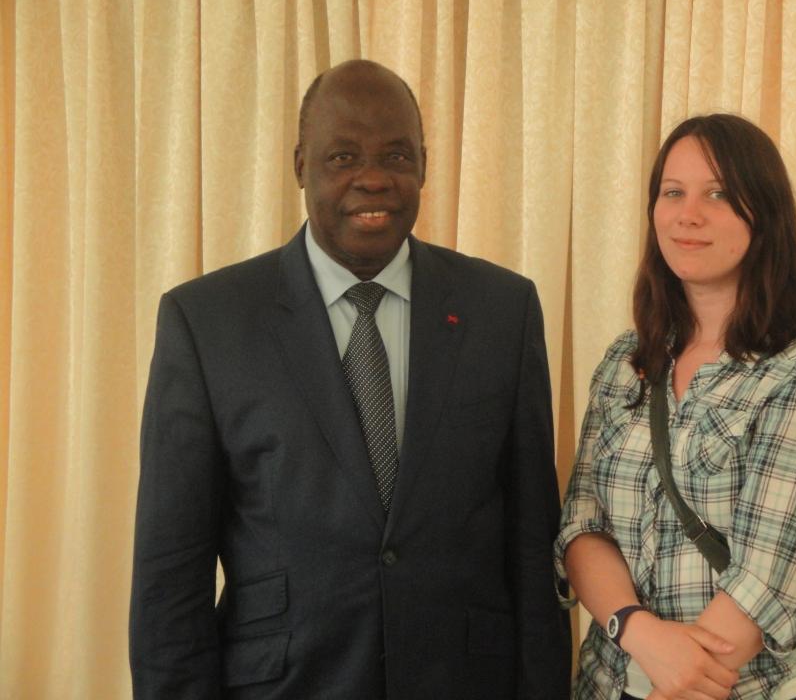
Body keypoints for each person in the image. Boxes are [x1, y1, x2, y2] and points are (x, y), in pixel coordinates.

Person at [129, 59, 571, 699]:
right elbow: (171, 574)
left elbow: (532, 547)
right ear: (300, 166)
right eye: (342, 157)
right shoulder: (207, 322)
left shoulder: (502, 310)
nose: (373, 179)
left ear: (424, 163)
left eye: (396, 155)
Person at [556, 114, 796, 700]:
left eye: (719, 195)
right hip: (609, 681)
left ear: (765, 213)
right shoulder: (626, 361)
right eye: (672, 193)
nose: (688, 214)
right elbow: (584, 527)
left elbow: (768, 582)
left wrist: (671, 682)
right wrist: (637, 630)